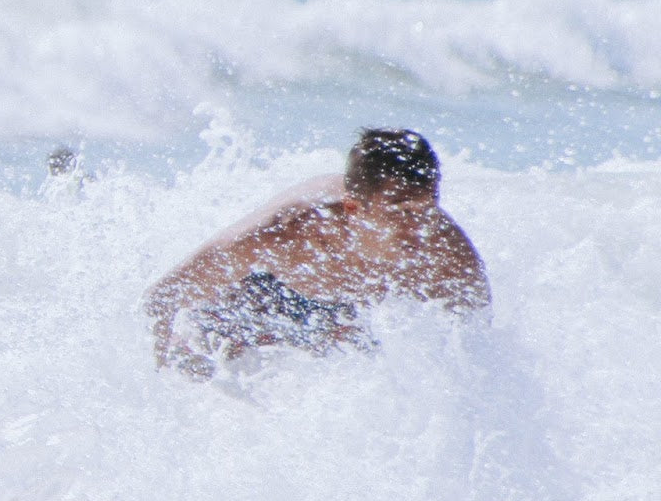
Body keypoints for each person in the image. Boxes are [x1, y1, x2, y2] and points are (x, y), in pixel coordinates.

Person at [143, 128, 489, 378]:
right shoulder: (287, 232)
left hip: (349, 320)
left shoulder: (447, 256)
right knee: (198, 365)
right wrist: (158, 374)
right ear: (355, 208)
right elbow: (162, 297)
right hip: (261, 296)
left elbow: (479, 350)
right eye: (400, 210)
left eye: (428, 207)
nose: (420, 225)